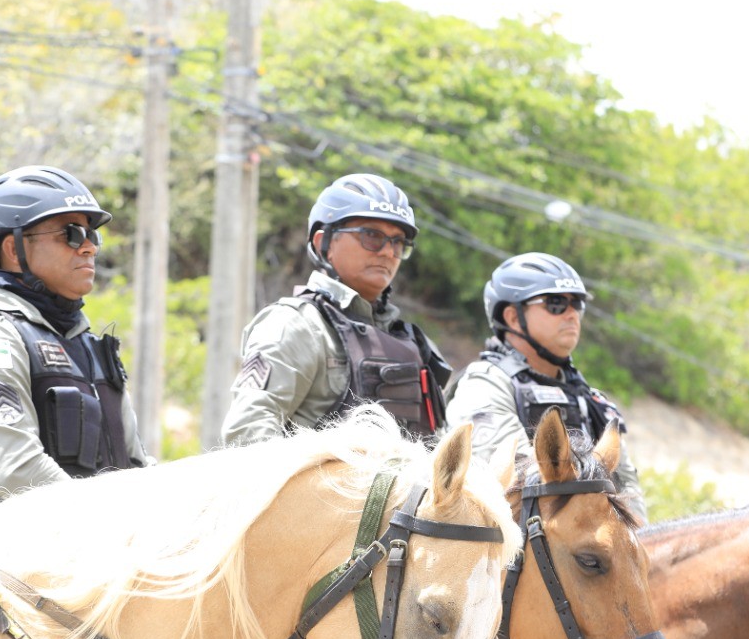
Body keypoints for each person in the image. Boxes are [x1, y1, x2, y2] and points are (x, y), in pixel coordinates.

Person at [0, 166, 151, 515]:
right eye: (72, 234)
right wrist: (116, 525)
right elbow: (17, 473)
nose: (89, 247)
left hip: (106, 558)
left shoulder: (92, 347)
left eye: (93, 235)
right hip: (5, 564)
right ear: (14, 250)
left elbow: (135, 463)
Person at [221, 173, 451, 446]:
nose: (388, 252)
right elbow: (246, 435)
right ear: (324, 243)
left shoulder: (412, 342)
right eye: (372, 236)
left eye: (398, 242)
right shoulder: (295, 326)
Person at [445, 252, 647, 519]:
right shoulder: (484, 384)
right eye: (555, 304)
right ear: (513, 317)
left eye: (577, 304)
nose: (572, 314)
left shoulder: (588, 398)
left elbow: (628, 490)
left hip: (588, 546)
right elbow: (509, 476)